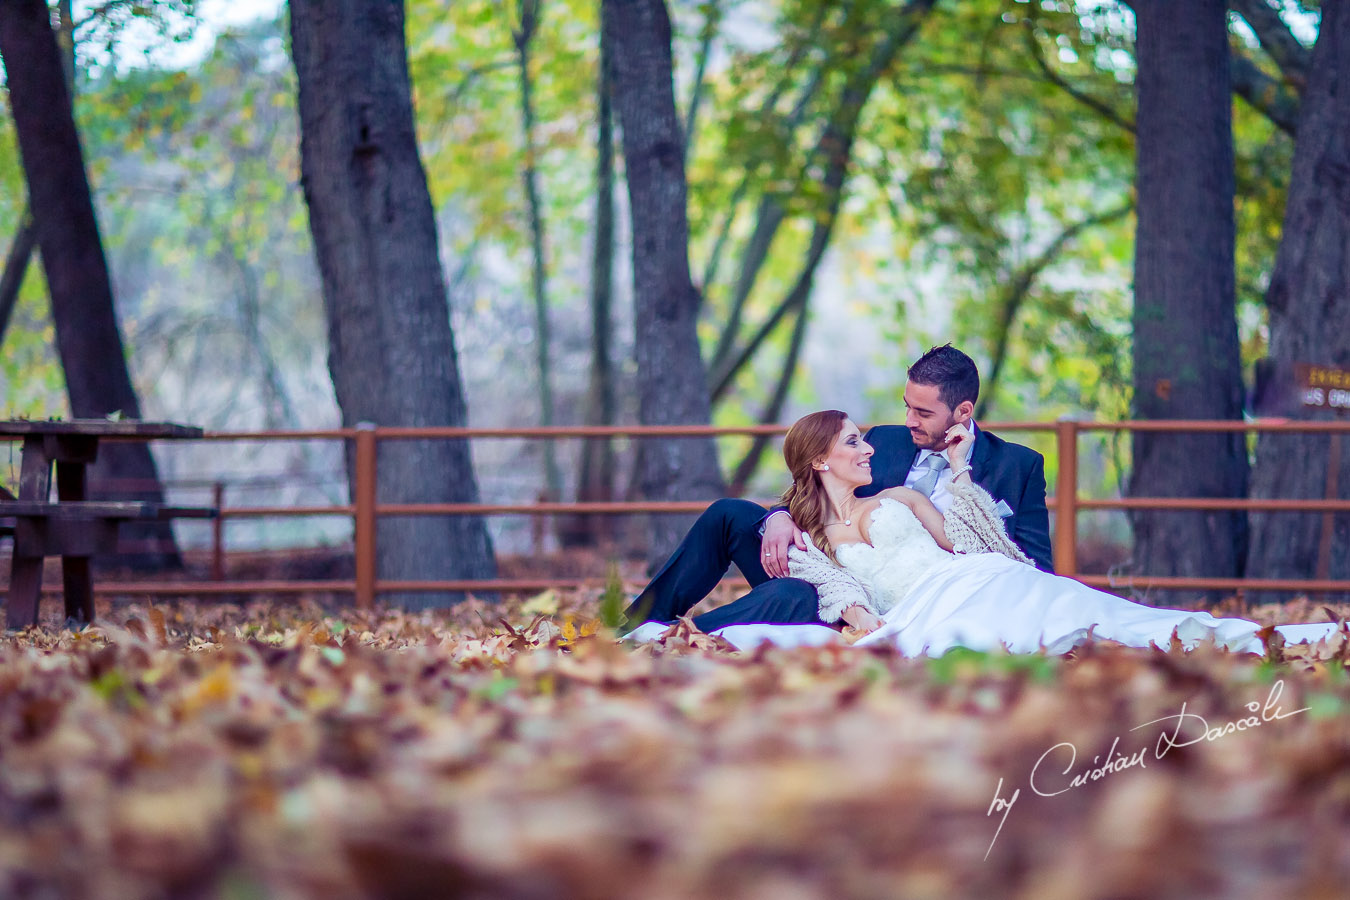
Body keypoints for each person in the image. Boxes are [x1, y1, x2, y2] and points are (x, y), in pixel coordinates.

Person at [628, 411, 1338, 654]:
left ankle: (1256, 638)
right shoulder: (810, 538)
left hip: (977, 580)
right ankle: (653, 629)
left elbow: (986, 550)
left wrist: (963, 472)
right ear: (823, 458)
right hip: (921, 612)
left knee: (1118, 622)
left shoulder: (903, 491)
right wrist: (786, 516)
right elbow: (835, 583)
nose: (871, 445)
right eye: (853, 441)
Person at [621, 344, 1052, 633]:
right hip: (831, 560)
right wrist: (778, 515)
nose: (909, 422)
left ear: (962, 411)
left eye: (922, 412)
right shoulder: (883, 441)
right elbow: (819, 485)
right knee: (729, 514)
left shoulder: (1018, 466)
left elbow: (1035, 566)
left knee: (791, 594)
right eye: (906, 407)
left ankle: (685, 636)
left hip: (892, 598)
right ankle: (637, 625)